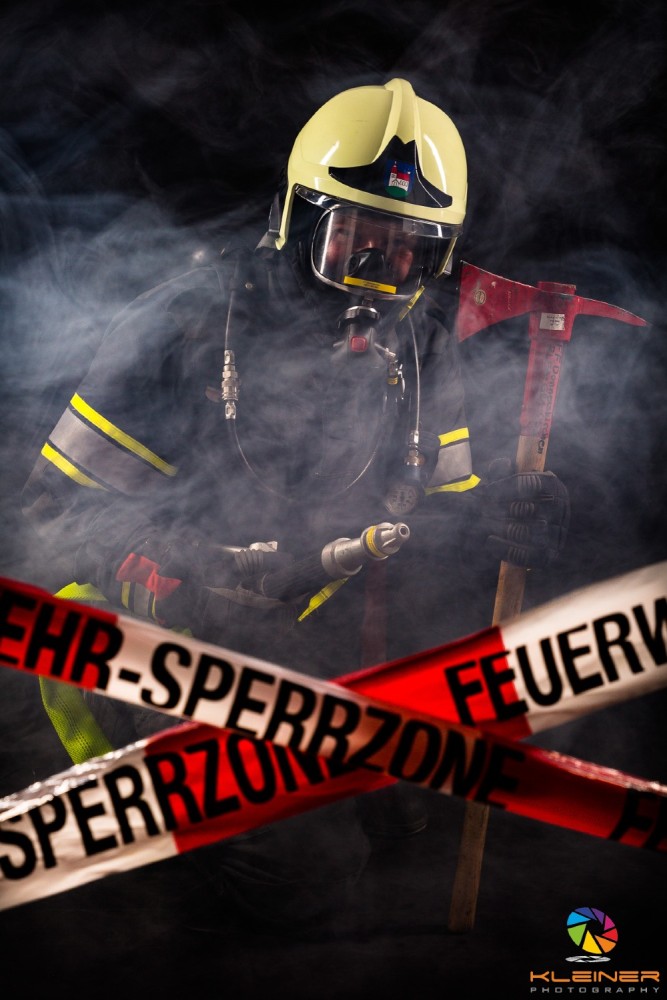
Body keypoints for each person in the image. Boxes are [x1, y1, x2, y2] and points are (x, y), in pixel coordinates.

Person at [21, 77, 569, 927]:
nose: (376, 273)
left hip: (296, 630)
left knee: (392, 835)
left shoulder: (420, 346)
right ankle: (146, 839)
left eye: (407, 251)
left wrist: (506, 514)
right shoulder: (185, 326)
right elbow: (50, 513)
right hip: (148, 626)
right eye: (354, 239)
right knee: (287, 874)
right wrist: (183, 568)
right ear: (297, 220)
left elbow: (439, 517)